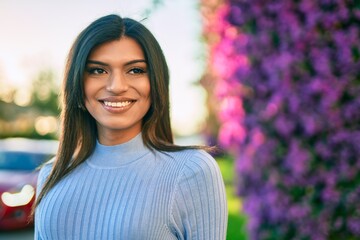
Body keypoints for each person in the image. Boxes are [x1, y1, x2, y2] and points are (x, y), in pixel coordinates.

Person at [34, 14, 227, 240]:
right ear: (77, 82)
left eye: (135, 70)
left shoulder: (190, 171)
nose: (116, 86)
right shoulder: (51, 174)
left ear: (155, 83)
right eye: (98, 70)